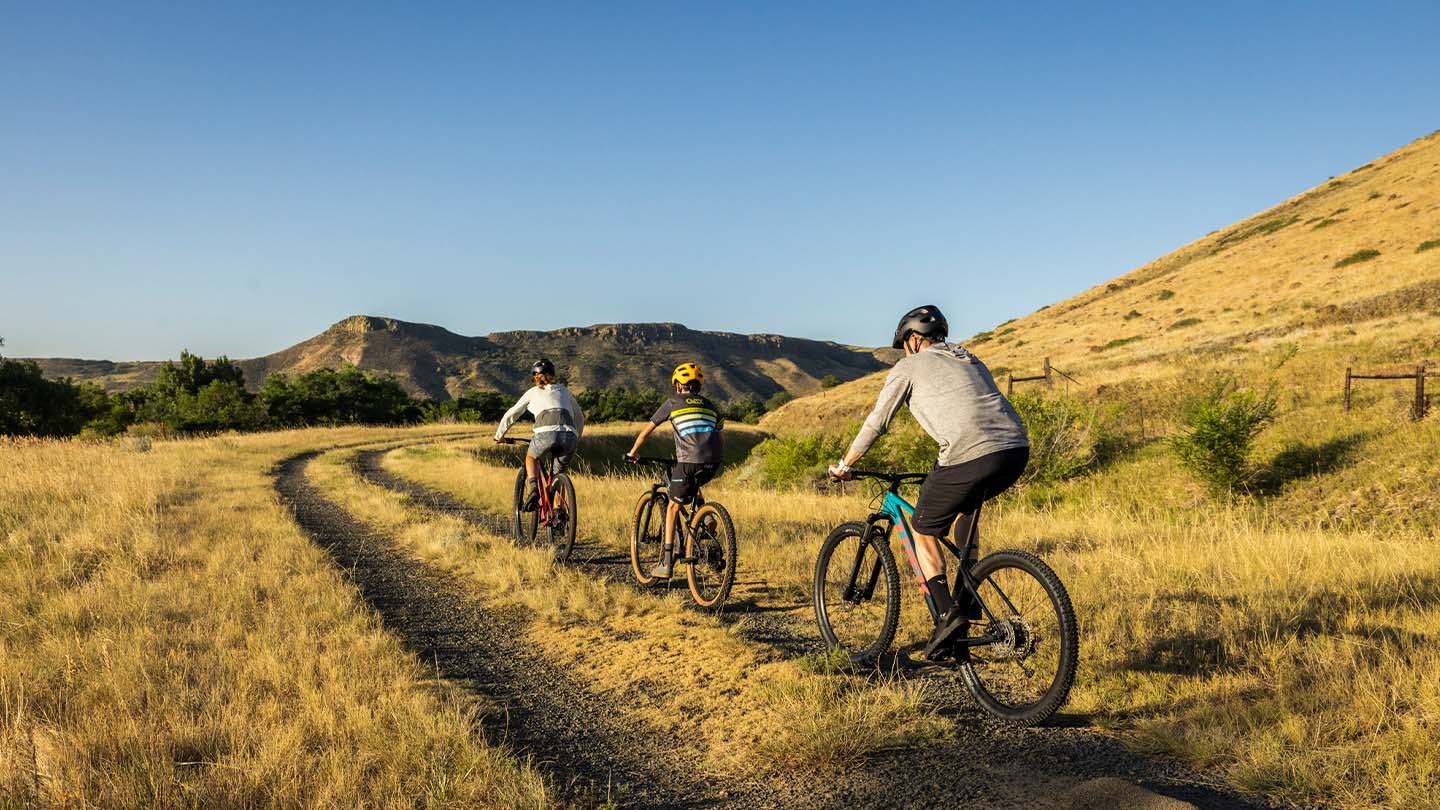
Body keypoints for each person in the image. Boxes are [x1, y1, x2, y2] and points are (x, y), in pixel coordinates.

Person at [829, 305, 1029, 660]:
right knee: (965, 506)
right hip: (1015, 449)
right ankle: (968, 598)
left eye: (904, 345)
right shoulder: (969, 357)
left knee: (922, 526)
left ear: (913, 341)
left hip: (970, 452)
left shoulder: (908, 366)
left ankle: (949, 615)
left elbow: (877, 422)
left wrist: (845, 464)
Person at [625, 362, 725, 579]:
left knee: (672, 507)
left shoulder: (672, 403)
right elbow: (720, 436)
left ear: (678, 386)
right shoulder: (711, 406)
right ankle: (704, 513)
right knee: (694, 483)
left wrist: (633, 452)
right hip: (713, 462)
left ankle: (667, 563)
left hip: (689, 461)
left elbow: (646, 431)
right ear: (698, 386)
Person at [494, 359, 585, 511]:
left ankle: (534, 489)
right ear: (553, 375)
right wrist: (576, 436)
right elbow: (580, 417)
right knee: (558, 474)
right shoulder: (564, 390)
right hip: (570, 435)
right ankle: (558, 509)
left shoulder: (533, 392)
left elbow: (512, 413)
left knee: (531, 457)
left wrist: (499, 435)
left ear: (534, 377)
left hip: (545, 433)